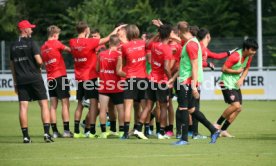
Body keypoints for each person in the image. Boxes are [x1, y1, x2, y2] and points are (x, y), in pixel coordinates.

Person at [168, 21, 220, 145]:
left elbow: (195, 66)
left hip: (187, 82)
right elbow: (185, 65)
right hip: (185, 80)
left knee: (183, 108)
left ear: (180, 32)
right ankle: (213, 130)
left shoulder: (191, 45)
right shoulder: (191, 42)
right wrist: (174, 78)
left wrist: (194, 86)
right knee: (191, 109)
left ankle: (184, 139)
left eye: (176, 33)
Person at [69, 21, 123, 138]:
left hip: (79, 78)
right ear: (86, 30)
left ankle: (77, 132)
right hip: (90, 77)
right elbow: (108, 38)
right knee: (94, 105)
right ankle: (91, 132)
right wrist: (117, 29)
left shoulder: (72, 42)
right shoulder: (89, 42)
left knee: (79, 105)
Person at [10, 20, 53, 143]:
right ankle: (46, 134)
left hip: (21, 80)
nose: (32, 30)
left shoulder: (13, 45)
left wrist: (15, 83)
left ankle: (25, 136)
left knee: (23, 107)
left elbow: (12, 65)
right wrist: (41, 65)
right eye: (30, 28)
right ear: (24, 29)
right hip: (34, 77)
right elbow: (39, 61)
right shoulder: (31, 43)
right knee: (44, 104)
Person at [214, 38, 258, 137]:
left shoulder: (249, 56)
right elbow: (223, 68)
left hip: (234, 84)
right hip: (224, 82)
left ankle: (223, 131)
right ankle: (217, 124)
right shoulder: (235, 56)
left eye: (255, 50)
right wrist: (236, 72)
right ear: (246, 48)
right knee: (236, 105)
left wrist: (242, 78)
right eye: (252, 50)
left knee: (238, 109)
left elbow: (246, 68)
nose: (254, 52)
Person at [135, 24, 172, 139]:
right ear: (170, 34)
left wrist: (158, 33)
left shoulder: (155, 45)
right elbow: (166, 67)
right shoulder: (167, 49)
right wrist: (170, 79)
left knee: (148, 106)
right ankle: (161, 133)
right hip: (161, 82)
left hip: (151, 79)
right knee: (163, 107)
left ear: (160, 34)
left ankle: (138, 129)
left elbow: (146, 44)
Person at [116, 24, 148, 139]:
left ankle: (125, 134)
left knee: (128, 106)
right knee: (145, 106)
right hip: (143, 78)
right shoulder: (143, 44)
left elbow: (124, 64)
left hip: (130, 78)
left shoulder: (125, 47)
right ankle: (143, 130)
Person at [41, 25, 72, 138]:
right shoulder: (56, 43)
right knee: (65, 103)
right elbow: (70, 50)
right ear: (54, 35)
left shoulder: (43, 47)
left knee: (53, 105)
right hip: (61, 76)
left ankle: (54, 132)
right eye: (58, 36)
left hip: (50, 78)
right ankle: (66, 131)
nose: (58, 38)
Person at [96, 34, 125, 138]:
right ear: (119, 44)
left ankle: (105, 132)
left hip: (104, 85)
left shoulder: (101, 54)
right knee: (120, 109)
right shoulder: (119, 54)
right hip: (116, 85)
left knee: (104, 109)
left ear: (109, 43)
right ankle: (121, 131)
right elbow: (119, 71)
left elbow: (97, 69)